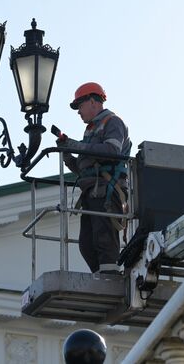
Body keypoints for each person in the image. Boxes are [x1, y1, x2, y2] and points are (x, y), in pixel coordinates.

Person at [56, 82, 132, 274]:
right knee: (87, 244)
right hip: (92, 191)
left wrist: (77, 146)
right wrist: (67, 154)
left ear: (92, 102)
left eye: (80, 106)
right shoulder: (91, 130)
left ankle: (109, 275)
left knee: (104, 237)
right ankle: (101, 275)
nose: (78, 112)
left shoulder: (113, 122)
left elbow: (112, 151)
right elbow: (85, 169)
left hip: (107, 190)